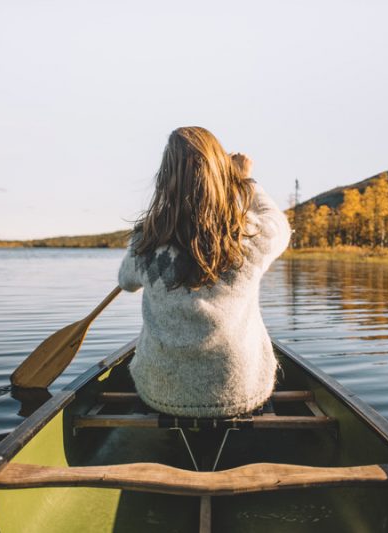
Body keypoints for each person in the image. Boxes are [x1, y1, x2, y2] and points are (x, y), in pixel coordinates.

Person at [118, 126, 290, 418]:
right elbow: (278, 223)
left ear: (164, 179)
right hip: (240, 393)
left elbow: (125, 283)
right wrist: (245, 181)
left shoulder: (145, 241)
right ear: (221, 176)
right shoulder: (250, 235)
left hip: (161, 394)